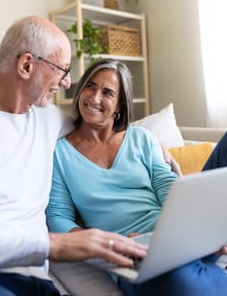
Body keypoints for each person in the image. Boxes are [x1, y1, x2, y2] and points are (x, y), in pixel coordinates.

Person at [0, 17, 148, 296]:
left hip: (35, 281)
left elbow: (101, 127)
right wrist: (55, 244)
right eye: (62, 69)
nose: (67, 83)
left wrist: (154, 144)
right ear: (26, 65)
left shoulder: (46, 117)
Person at [46, 59, 227, 296]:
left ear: (120, 104)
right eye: (90, 86)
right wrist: (106, 242)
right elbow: (59, 216)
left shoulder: (142, 138)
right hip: (129, 251)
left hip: (173, 236)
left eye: (107, 92)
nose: (95, 97)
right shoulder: (60, 152)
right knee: (182, 281)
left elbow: (166, 186)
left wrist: (187, 228)